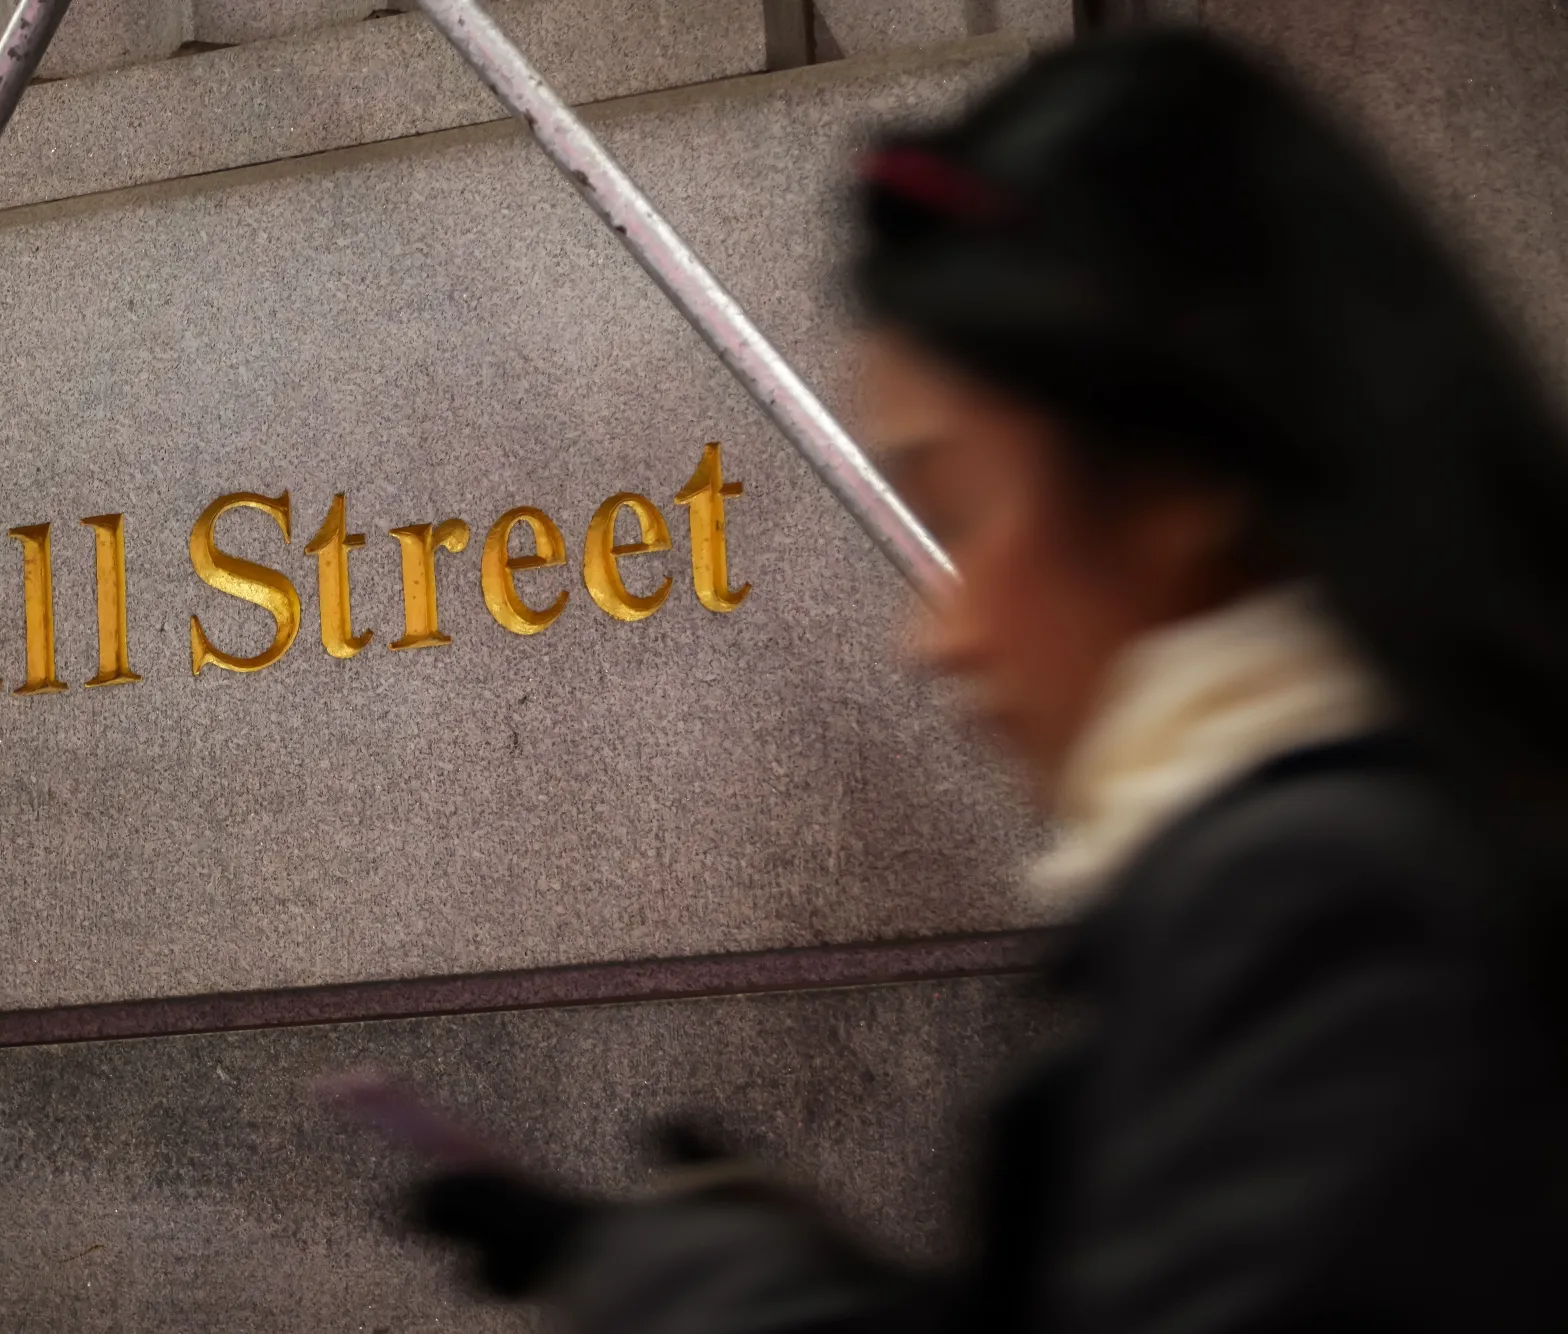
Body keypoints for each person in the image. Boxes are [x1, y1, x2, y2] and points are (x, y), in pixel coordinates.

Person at [397, 24, 1568, 1334]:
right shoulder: (1386, 848)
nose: (933, 638)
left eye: (960, 504)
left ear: (1182, 482)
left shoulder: (1327, 904)